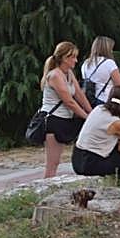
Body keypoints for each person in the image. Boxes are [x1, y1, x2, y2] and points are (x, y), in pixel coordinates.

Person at [71, 85, 120, 188]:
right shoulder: (116, 123)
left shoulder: (98, 109)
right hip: (91, 164)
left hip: (78, 159)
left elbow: (109, 134)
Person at [40, 41, 91, 179]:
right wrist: (87, 117)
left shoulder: (68, 73)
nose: (75, 60)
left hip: (64, 119)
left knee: (57, 161)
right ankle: (46, 188)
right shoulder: (55, 75)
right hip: (53, 119)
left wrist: (91, 111)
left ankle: (49, 185)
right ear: (64, 58)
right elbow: (69, 101)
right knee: (52, 162)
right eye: (72, 57)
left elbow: (79, 94)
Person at [80, 36, 120, 107]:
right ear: (107, 49)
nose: (112, 51)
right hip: (104, 100)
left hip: (88, 101)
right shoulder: (109, 63)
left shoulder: (86, 63)